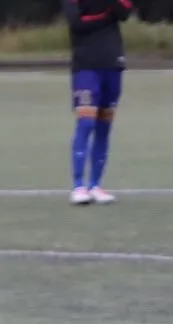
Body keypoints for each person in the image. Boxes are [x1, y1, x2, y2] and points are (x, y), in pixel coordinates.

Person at [65, 0, 132, 205]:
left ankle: (95, 185)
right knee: (86, 123)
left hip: (112, 63)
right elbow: (77, 23)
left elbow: (124, 12)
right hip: (86, 65)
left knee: (104, 126)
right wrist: (106, 15)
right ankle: (79, 186)